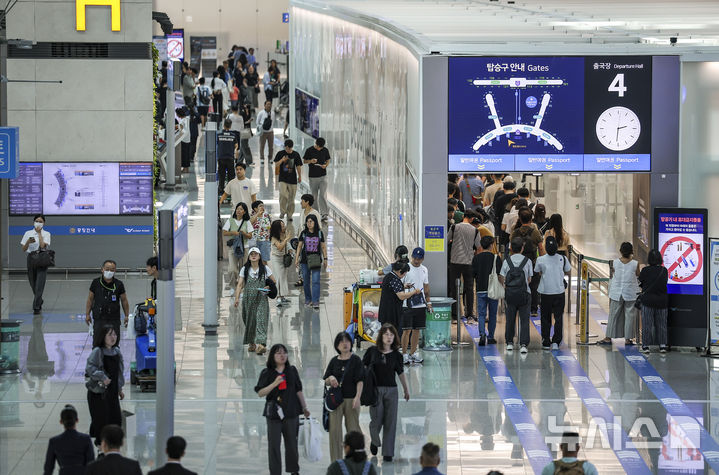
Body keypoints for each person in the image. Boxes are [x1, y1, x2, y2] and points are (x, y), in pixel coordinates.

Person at [255, 343, 310, 475]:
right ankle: (275, 472)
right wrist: (274, 383)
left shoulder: (292, 371)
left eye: (284, 353)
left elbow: (298, 390)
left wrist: (304, 407)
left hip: (291, 412)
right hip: (274, 414)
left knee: (292, 444)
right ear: (272, 356)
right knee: (274, 445)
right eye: (278, 353)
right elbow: (261, 392)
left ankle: (294, 471)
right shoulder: (267, 372)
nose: (282, 355)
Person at [363, 324, 410, 462]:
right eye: (386, 334)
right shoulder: (372, 351)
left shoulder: (397, 355)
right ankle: (375, 441)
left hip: (392, 391)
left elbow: (400, 372)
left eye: (391, 335)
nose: (389, 337)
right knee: (376, 420)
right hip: (375, 390)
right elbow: (362, 368)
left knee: (391, 421)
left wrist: (406, 389)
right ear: (381, 336)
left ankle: (388, 452)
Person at [323, 332, 365, 462]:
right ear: (337, 345)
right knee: (334, 431)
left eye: (347, 340)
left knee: (353, 431)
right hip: (335, 401)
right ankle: (336, 462)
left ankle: (355, 461)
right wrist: (331, 378)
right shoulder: (334, 361)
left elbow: (360, 380)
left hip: (351, 399)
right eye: (341, 341)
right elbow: (326, 379)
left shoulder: (356, 360)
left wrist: (358, 397)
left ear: (351, 343)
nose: (345, 343)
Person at [85, 325, 125, 446]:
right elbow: (90, 368)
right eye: (110, 335)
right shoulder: (98, 351)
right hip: (98, 394)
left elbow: (119, 372)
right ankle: (101, 446)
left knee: (115, 419)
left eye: (115, 334)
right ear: (103, 337)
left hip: (112, 393)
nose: (113, 337)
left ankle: (112, 445)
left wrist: (119, 389)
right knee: (101, 421)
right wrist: (102, 376)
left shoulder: (117, 351)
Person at [234, 247, 276, 355]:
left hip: (261, 299)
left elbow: (273, 281)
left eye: (255, 254)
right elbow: (239, 284)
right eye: (251, 254)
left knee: (261, 319)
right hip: (248, 299)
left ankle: (261, 344)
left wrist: (267, 287)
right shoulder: (245, 269)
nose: (253, 256)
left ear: (259, 256)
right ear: (248, 257)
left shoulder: (265, 269)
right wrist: (237, 298)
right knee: (250, 321)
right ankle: (252, 343)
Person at [599, 242, 640, 346]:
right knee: (630, 316)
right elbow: (638, 276)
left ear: (620, 251)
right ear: (632, 251)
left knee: (613, 315)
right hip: (630, 292)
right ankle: (628, 339)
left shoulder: (614, 263)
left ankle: (608, 338)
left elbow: (613, 275)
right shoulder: (635, 263)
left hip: (617, 292)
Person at [535, 236, 571, 350]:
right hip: (559, 291)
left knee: (545, 317)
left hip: (545, 292)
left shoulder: (540, 259)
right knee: (558, 317)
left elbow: (537, 271)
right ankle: (556, 341)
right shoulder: (563, 258)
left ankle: (546, 340)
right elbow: (568, 270)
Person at [499, 237, 533, 353]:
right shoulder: (527, 261)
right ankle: (523, 344)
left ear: (511, 248)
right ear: (522, 248)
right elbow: (529, 279)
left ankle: (509, 342)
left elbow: (502, 278)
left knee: (510, 319)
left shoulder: (506, 261)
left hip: (510, 294)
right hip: (524, 294)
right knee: (524, 319)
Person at [510, 208, 544, 316]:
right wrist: (542, 262)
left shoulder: (515, 232)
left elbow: (511, 248)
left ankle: (519, 306)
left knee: (518, 284)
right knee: (534, 286)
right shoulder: (535, 233)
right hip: (532, 262)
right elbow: (541, 248)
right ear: (531, 219)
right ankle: (533, 309)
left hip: (518, 263)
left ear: (519, 219)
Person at [447, 213, 482, 321]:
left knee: (454, 288)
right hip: (469, 262)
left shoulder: (454, 227)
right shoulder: (475, 230)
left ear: (463, 217)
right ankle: (469, 313)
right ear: (472, 219)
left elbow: (447, 240)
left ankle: (455, 314)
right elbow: (479, 248)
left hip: (455, 261)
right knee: (469, 288)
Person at [400, 248, 432, 364]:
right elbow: (399, 284)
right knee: (407, 330)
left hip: (420, 304)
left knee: (416, 330)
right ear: (411, 257)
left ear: (422, 259)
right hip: (407, 303)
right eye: (414, 258)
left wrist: (429, 303)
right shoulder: (405, 268)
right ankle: (404, 354)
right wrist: (406, 286)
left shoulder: (424, 270)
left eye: (419, 259)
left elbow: (426, 287)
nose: (416, 261)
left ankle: (413, 353)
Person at [85, 260, 129, 342]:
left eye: (112, 270)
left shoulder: (119, 284)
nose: (109, 271)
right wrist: (87, 314)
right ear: (102, 269)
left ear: (115, 271)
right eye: (107, 269)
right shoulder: (95, 283)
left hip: (114, 319)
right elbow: (90, 299)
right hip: (99, 318)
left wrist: (126, 315)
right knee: (98, 343)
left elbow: (124, 301)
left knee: (114, 343)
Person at [43, 404, 95, 475]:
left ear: (61, 421)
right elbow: (91, 463)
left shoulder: (54, 441)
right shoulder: (85, 439)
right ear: (77, 420)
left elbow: (48, 468)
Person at [379, 261, 421, 337]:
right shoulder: (395, 279)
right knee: (391, 335)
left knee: (386, 334)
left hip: (385, 311)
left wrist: (404, 286)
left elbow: (393, 288)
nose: (404, 275)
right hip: (391, 313)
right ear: (399, 271)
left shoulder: (389, 276)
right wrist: (414, 291)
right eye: (404, 273)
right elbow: (401, 296)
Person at [638, 249, 669, 353]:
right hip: (662, 301)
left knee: (647, 324)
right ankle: (663, 345)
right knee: (661, 324)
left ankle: (646, 346)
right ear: (660, 259)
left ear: (649, 259)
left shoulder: (645, 270)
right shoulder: (664, 271)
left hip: (648, 301)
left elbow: (640, 282)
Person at [472, 236, 501, 346]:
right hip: (493, 289)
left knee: (482, 314)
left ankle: (482, 334)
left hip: (480, 289)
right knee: (493, 314)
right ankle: (491, 336)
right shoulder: (496, 258)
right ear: (491, 245)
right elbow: (499, 275)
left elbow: (473, 274)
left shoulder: (476, 258)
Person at [295, 214, 327, 309]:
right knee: (306, 281)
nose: (309, 224)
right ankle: (308, 299)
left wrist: (325, 259)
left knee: (316, 281)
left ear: (315, 222)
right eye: (307, 222)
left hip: (316, 260)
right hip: (305, 260)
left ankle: (315, 301)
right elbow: (299, 246)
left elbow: (323, 247)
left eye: (311, 221)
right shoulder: (303, 233)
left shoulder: (320, 233)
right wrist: (297, 258)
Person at [21, 214, 51, 314]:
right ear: (33, 222)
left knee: (40, 284)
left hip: (42, 258)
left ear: (44, 223)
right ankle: (39, 299)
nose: (38, 223)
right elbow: (24, 249)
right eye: (37, 221)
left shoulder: (46, 233)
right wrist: (28, 242)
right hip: (31, 258)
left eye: (41, 221)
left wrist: (39, 234)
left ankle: (36, 306)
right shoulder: (28, 233)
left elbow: (43, 246)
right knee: (32, 282)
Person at [223, 203, 254, 293]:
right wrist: (233, 232)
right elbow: (224, 232)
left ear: (244, 212)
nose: (238, 211)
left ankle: (241, 288)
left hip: (245, 248)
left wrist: (244, 234)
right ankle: (233, 286)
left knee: (243, 269)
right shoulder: (230, 221)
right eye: (237, 209)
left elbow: (250, 236)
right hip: (233, 248)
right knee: (232, 269)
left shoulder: (247, 222)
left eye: (241, 209)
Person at [303, 137, 331, 221]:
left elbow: (328, 159)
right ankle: (316, 213)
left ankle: (324, 213)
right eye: (319, 147)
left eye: (321, 147)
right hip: (313, 177)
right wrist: (311, 161)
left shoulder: (325, 150)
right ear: (316, 144)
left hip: (323, 176)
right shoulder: (309, 150)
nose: (319, 149)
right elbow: (304, 161)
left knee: (322, 195)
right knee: (314, 196)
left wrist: (325, 165)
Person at [274, 139, 303, 220]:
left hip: (292, 179)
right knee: (283, 195)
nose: (288, 150)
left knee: (291, 198)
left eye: (289, 149)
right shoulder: (280, 153)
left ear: (291, 147)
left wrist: (300, 176)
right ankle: (283, 211)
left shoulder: (296, 154)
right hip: (282, 178)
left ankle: (290, 214)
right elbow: (276, 164)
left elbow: (298, 166)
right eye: (286, 148)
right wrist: (282, 160)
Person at [269, 220, 292, 307]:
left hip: (283, 259)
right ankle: (278, 297)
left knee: (283, 277)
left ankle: (282, 296)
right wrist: (286, 238)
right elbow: (280, 247)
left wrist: (290, 249)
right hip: (276, 259)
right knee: (277, 277)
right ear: (277, 228)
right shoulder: (273, 238)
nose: (284, 227)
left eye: (284, 225)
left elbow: (287, 244)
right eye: (282, 226)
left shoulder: (283, 234)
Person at [217, 118, 239, 196]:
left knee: (221, 175)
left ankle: (220, 191)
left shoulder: (219, 135)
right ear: (230, 126)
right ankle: (230, 191)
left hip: (221, 158)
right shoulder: (233, 135)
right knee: (231, 176)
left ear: (224, 125)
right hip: (230, 158)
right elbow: (236, 146)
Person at [176, 107, 191, 173]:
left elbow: (181, 129)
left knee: (184, 154)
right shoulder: (187, 118)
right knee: (187, 154)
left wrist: (176, 127)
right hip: (188, 138)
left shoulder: (182, 121)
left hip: (183, 139)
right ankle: (186, 168)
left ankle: (185, 169)